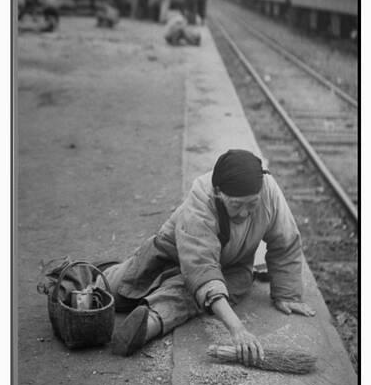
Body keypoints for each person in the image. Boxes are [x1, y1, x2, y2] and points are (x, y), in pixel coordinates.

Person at [101, 149, 315, 361]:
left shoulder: (267, 191)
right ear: (218, 194)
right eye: (236, 205)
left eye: (252, 204)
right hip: (169, 252)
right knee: (118, 288)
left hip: (230, 267)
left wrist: (287, 293)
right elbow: (201, 269)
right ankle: (84, 282)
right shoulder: (201, 197)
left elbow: (285, 241)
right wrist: (237, 329)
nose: (244, 213)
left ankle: (148, 324)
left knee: (189, 294)